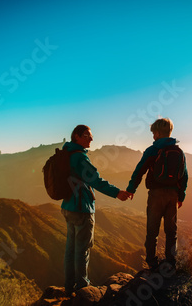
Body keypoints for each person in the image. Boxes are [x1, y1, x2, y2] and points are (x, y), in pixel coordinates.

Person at [61, 125, 130, 294]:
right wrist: (117, 193)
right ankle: (83, 287)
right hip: (81, 208)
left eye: (91, 136)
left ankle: (69, 287)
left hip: (68, 206)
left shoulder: (66, 154)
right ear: (76, 136)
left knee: (70, 249)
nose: (91, 139)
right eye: (87, 136)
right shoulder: (80, 158)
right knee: (82, 249)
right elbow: (95, 181)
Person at [126, 118, 188, 270]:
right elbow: (184, 176)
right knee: (171, 231)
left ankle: (152, 263)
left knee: (152, 230)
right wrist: (181, 197)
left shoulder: (152, 150)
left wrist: (131, 189)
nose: (153, 136)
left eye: (154, 133)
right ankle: (170, 263)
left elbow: (139, 170)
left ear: (159, 133)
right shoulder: (179, 151)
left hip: (156, 195)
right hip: (173, 195)